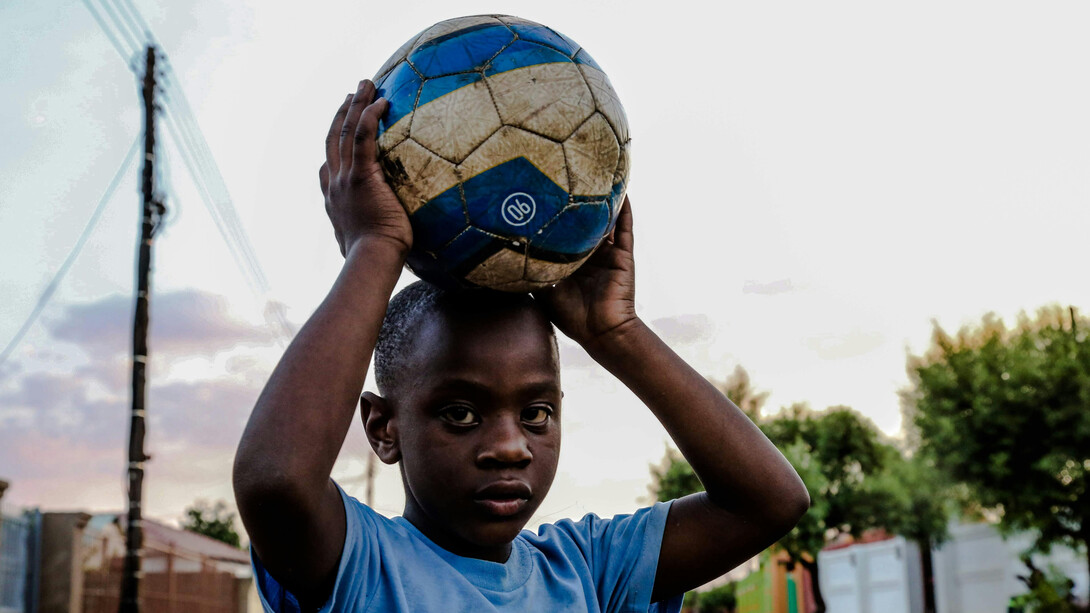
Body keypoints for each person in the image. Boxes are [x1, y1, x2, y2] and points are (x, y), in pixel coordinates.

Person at [233, 79, 811, 613]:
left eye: (537, 413)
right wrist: (376, 245)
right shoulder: (360, 566)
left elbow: (767, 502)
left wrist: (616, 334)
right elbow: (275, 482)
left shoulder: (587, 570)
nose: (510, 447)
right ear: (385, 428)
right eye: (460, 414)